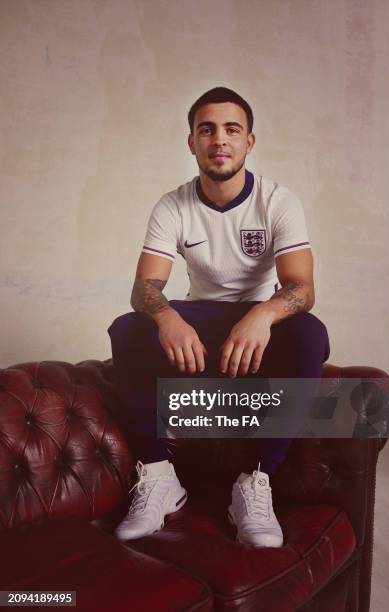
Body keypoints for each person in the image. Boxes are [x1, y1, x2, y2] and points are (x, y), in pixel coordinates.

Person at [108, 87, 330, 548]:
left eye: (232, 129)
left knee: (311, 335)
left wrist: (263, 316)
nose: (219, 140)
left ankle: (255, 481)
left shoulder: (278, 201)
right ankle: (159, 475)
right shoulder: (173, 205)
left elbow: (302, 289)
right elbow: (144, 288)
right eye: (206, 129)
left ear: (250, 141)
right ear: (191, 142)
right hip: (199, 318)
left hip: (256, 322)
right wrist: (168, 318)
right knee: (128, 329)